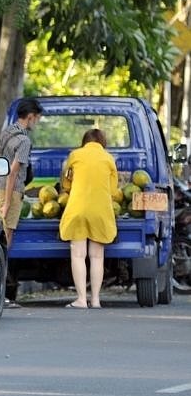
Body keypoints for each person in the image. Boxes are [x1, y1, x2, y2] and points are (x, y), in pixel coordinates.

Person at [59, 128, 118, 309]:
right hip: (101, 211)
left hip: (78, 209)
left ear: (84, 142)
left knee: (78, 254)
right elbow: (113, 191)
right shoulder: (109, 159)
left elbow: (66, 183)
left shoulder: (75, 155)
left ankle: (81, 300)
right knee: (97, 256)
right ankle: (96, 300)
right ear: (102, 142)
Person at [0, 97, 44, 247]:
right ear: (30, 116)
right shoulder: (24, 141)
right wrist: (8, 204)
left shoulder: (8, 131)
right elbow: (13, 173)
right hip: (12, 191)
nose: (36, 122)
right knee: (6, 235)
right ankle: (1, 269)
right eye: (36, 118)